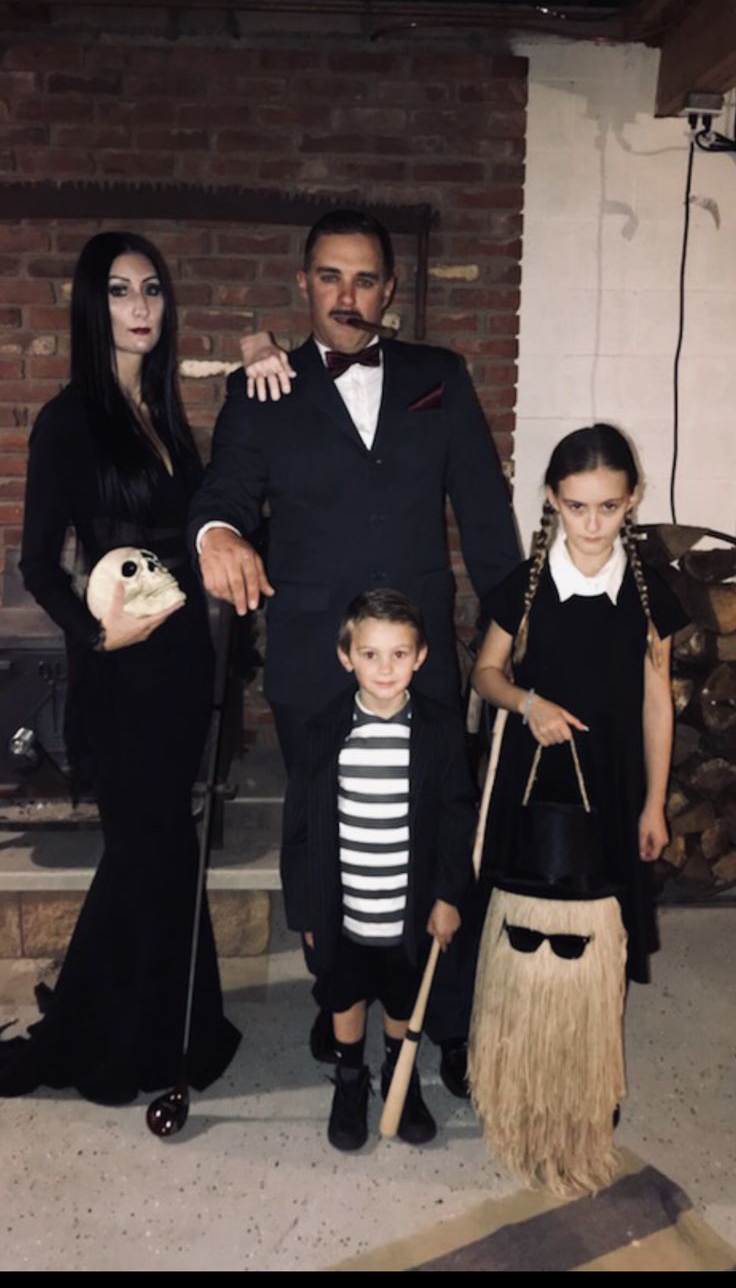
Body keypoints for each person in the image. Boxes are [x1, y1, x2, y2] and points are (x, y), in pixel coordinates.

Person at [188, 208, 520, 1092]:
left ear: (390, 291)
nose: (348, 294)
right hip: (313, 664)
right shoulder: (263, 387)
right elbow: (222, 492)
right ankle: (343, 1021)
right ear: (305, 284)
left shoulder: (437, 377)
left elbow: (486, 519)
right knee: (335, 846)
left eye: (366, 278)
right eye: (331, 276)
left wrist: (522, 625)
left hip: (422, 666)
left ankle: (441, 1027)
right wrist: (218, 532)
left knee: (441, 844)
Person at [0, 232, 240, 1104]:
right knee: (153, 849)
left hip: (179, 663)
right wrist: (98, 640)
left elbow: (198, 526)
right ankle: (131, 1042)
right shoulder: (70, 420)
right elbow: (35, 565)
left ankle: (150, 1026)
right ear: (90, 307)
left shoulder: (169, 413)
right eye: (118, 292)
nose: (140, 308)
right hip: (120, 672)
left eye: (151, 291)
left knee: (159, 849)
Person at [471, 422, 688, 985]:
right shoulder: (525, 585)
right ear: (552, 499)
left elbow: (657, 704)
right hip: (533, 778)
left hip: (615, 781)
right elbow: (484, 675)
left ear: (633, 498)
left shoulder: (648, 594)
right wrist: (527, 704)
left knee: (598, 934)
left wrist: (654, 803)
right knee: (526, 931)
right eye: (576, 506)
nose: (592, 524)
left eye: (609, 507)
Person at [281, 590, 476, 1150]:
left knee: (399, 995)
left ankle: (399, 1070)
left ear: (421, 656)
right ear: (347, 657)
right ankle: (349, 1078)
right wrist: (306, 910)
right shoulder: (324, 733)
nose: (385, 668)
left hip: (407, 910)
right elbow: (298, 831)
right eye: (371, 654)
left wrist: (447, 896)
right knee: (344, 994)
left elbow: (456, 818)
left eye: (399, 654)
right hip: (342, 907)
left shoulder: (438, 732)